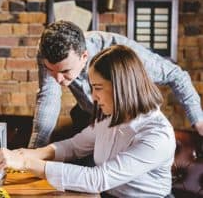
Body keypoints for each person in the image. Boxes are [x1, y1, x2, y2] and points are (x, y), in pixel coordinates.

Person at [0, 45, 176, 197]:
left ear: (121, 87)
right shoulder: (111, 117)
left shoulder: (157, 136)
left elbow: (97, 179)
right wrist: (28, 153)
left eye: (98, 88)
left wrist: (25, 163)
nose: (93, 97)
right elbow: (73, 146)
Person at [27, 20, 203, 148]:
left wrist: (199, 120)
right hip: (88, 117)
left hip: (125, 118)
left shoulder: (122, 55)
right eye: (51, 70)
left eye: (65, 72)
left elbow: (176, 75)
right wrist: (33, 151)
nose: (58, 80)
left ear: (84, 57)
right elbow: (49, 98)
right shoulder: (47, 54)